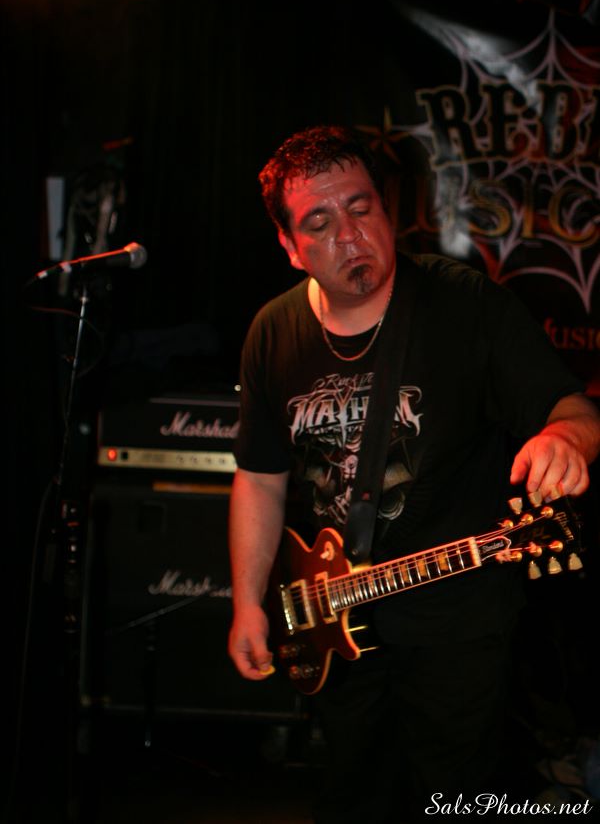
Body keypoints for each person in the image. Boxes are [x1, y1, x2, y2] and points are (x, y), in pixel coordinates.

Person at [227, 124, 600, 822]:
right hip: (333, 625)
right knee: (355, 798)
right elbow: (260, 477)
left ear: (387, 209)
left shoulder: (466, 304)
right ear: (290, 246)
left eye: (361, 207)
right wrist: (248, 602)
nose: (349, 235)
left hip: (457, 625)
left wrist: (564, 439)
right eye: (319, 223)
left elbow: (572, 406)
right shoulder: (272, 332)